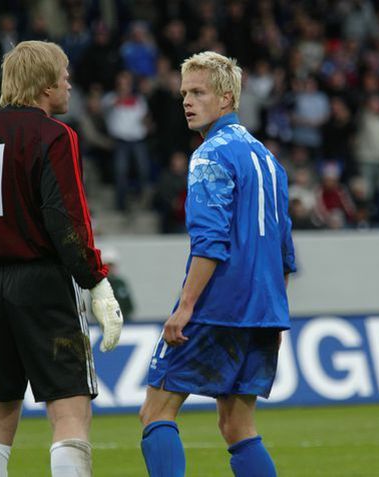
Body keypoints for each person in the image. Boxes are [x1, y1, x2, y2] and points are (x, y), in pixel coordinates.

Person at [0, 41, 124, 477]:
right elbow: (64, 218)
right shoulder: (55, 136)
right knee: (70, 416)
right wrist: (95, 281)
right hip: (41, 284)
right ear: (46, 83)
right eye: (64, 75)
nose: (69, 83)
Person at [138, 51, 296, 477]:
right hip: (263, 309)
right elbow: (284, 249)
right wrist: (274, 313)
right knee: (237, 424)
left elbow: (210, 241)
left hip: (218, 304)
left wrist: (186, 306)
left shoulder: (210, 155)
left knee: (156, 412)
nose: (187, 101)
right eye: (184, 93)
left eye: (198, 92)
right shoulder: (269, 160)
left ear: (226, 99)